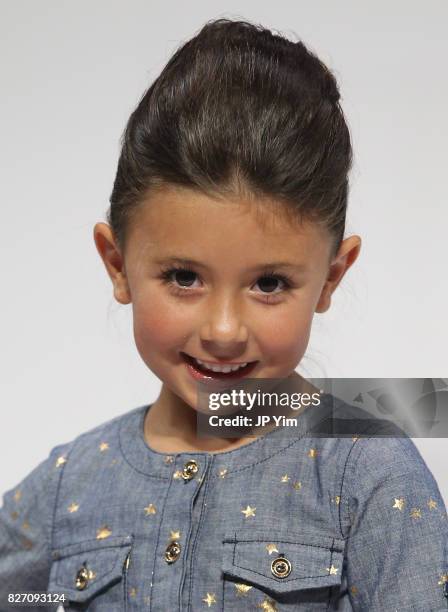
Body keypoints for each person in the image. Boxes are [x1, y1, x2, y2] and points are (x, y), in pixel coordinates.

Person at [1, 17, 447, 612]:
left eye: (269, 283)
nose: (224, 331)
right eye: (184, 277)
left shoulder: (367, 474)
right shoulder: (69, 485)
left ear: (331, 277)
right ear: (117, 264)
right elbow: (28, 599)